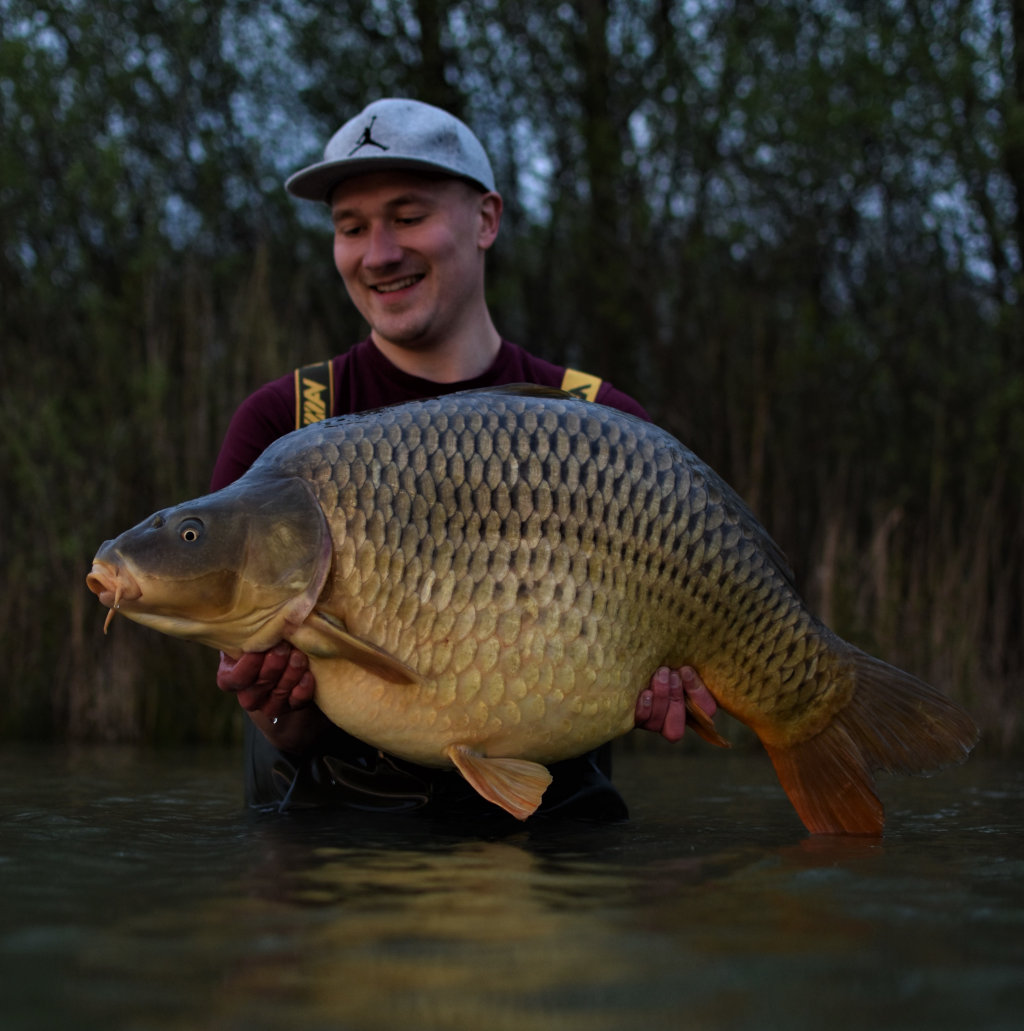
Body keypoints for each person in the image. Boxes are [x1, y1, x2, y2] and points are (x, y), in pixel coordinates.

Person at [212, 98, 718, 819]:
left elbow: (669, 664)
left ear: (487, 219)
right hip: (335, 846)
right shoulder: (281, 423)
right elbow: (267, 713)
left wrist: (665, 686)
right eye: (351, 227)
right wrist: (273, 703)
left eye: (408, 215)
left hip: (549, 844)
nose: (379, 252)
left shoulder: (602, 424)